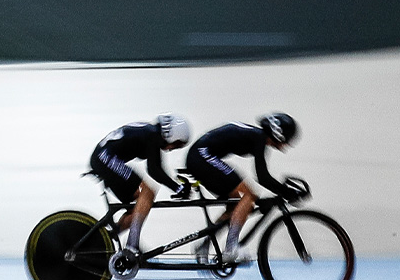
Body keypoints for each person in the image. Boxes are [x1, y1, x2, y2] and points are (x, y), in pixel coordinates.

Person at [185, 113, 302, 265]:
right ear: (280, 134)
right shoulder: (259, 138)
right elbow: (263, 177)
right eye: (288, 139)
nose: (287, 144)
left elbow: (262, 176)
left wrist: (282, 191)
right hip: (202, 156)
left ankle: (204, 246)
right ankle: (231, 248)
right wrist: (286, 192)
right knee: (249, 196)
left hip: (200, 156)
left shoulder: (258, 137)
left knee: (237, 205)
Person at [90, 115, 191, 258]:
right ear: (171, 135)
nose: (172, 149)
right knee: (147, 192)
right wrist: (177, 188)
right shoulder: (153, 136)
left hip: (104, 157)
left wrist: (177, 186)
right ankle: (132, 246)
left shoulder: (152, 133)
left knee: (137, 209)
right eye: (176, 144)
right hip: (105, 158)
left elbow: (158, 169)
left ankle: (105, 237)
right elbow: (154, 171)